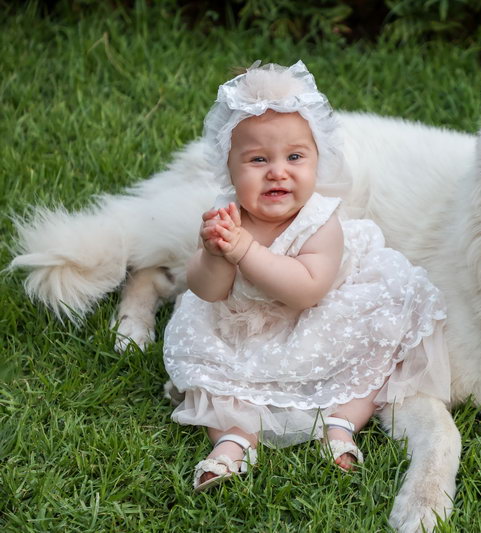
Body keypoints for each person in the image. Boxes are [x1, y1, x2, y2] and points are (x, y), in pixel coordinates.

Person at [162, 61, 450, 492]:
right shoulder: (230, 216)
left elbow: (306, 291)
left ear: (318, 160)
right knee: (217, 384)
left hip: (322, 320)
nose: (278, 171)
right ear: (229, 168)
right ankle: (234, 439)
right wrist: (214, 254)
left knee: (371, 355)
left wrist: (243, 250)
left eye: (295, 157)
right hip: (245, 327)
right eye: (258, 159)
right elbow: (207, 292)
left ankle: (341, 423)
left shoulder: (321, 220)